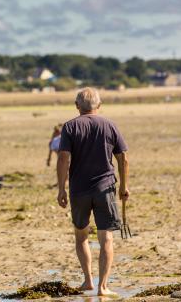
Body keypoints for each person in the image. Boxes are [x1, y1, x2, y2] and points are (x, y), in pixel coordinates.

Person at [56, 88, 130, 296]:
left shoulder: (70, 126)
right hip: (105, 188)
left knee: (81, 236)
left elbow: (63, 159)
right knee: (106, 238)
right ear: (99, 105)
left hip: (79, 190)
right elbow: (123, 158)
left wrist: (61, 188)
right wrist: (124, 186)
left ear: (77, 106)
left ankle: (88, 280)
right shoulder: (109, 125)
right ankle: (102, 286)